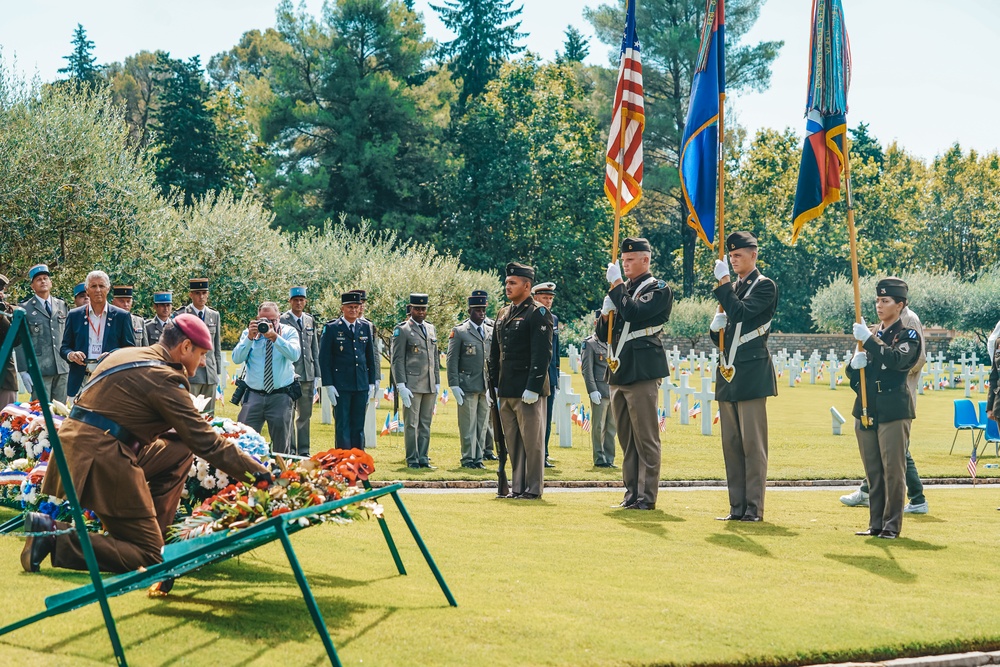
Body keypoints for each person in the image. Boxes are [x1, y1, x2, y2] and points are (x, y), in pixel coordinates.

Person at [22, 314, 270, 574]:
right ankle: (52, 535)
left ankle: (156, 535)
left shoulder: (126, 354)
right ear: (185, 347)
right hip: (102, 457)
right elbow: (207, 443)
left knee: (180, 449)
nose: (204, 360)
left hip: (77, 448)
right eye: (202, 353)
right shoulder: (164, 377)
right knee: (148, 557)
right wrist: (263, 475)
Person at [599, 238, 673, 510]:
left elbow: (634, 312)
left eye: (631, 260)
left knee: (646, 438)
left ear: (646, 260)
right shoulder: (621, 290)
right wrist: (605, 315)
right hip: (619, 370)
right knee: (626, 439)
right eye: (624, 260)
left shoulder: (658, 288)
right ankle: (631, 493)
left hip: (642, 369)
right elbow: (602, 334)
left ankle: (647, 495)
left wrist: (617, 288)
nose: (625, 264)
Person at [845, 277, 921, 540]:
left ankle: (891, 525)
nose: (879, 305)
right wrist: (853, 366)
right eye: (877, 300)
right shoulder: (872, 334)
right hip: (867, 408)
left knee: (893, 471)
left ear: (900, 305)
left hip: (892, 409)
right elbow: (857, 378)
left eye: (885, 300)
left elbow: (898, 360)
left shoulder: (907, 335)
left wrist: (868, 340)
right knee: (873, 472)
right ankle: (875, 523)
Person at [710, 232, 778, 522]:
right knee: (732, 447)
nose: (734, 259)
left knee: (753, 446)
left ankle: (754, 508)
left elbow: (740, 313)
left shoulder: (764, 287)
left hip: (751, 372)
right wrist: (715, 328)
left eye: (739, 254)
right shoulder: (734, 287)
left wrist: (724, 285)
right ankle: (736, 508)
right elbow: (724, 337)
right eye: (731, 255)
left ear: (754, 255)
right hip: (728, 373)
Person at [489, 263, 553, 498]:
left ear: (527, 286)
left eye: (513, 283)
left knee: (532, 443)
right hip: (507, 388)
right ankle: (517, 487)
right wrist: (493, 383)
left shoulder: (538, 313)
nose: (507, 286)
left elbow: (542, 352)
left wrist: (533, 386)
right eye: (507, 282)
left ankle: (533, 489)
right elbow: (496, 352)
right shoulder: (503, 313)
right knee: (513, 442)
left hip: (528, 389)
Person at [232, 302, 301, 455]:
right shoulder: (249, 334)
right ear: (257, 319)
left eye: (272, 320)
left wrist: (275, 337)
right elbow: (236, 358)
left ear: (279, 317)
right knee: (243, 441)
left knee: (281, 447)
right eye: (264, 320)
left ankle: (280, 476)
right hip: (254, 395)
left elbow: (294, 355)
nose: (268, 324)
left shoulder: (289, 332)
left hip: (280, 396)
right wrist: (249, 338)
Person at [60, 271, 136, 397]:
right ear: (87, 289)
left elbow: (129, 350)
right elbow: (64, 348)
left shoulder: (122, 316)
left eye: (101, 286)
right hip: (81, 379)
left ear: (108, 288)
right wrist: (71, 354)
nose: (98, 290)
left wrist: (112, 355)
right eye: (93, 286)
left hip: (110, 379)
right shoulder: (74, 315)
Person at [319, 292, 377, 449]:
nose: (353, 310)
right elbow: (324, 359)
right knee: (342, 425)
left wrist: (371, 382)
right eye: (350, 307)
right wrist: (328, 385)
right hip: (341, 385)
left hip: (361, 384)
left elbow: (370, 357)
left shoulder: (365, 327)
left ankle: (358, 463)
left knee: (358, 426)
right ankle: (343, 462)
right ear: (342, 308)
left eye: (356, 307)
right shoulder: (331, 328)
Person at [391, 294, 440, 469]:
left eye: (423, 309)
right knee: (411, 424)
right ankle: (412, 459)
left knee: (425, 423)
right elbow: (397, 360)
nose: (420, 312)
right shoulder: (402, 330)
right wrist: (401, 385)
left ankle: (423, 458)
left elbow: (434, 357)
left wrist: (437, 381)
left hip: (429, 383)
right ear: (410, 309)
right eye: (417, 308)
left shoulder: (431, 328)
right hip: (411, 384)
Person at [447, 290, 494, 469]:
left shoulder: (490, 331)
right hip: (467, 385)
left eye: (483, 310)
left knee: (482, 425)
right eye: (477, 310)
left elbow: (493, 359)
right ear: (469, 312)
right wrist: (454, 385)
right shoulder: (459, 332)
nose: (481, 313)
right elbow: (452, 360)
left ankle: (478, 457)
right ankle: (468, 458)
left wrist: (493, 383)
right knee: (468, 425)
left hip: (485, 385)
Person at [14, 264, 70, 403]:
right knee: (40, 412)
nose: (43, 281)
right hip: (39, 369)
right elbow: (19, 341)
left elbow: (69, 335)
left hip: (62, 367)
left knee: (60, 413)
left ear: (50, 283)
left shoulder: (62, 305)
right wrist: (23, 370)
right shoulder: (25, 308)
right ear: (32, 286)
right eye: (38, 279)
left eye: (45, 278)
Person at [281, 286, 322, 456]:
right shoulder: (282, 320)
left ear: (305, 301)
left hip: (307, 373)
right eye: (295, 300)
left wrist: (318, 374)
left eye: (301, 300)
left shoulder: (309, 320)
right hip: (290, 374)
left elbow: (314, 349)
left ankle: (304, 450)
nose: (299, 303)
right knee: (289, 414)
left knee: (305, 414)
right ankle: (290, 449)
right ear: (290, 301)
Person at [178, 278, 223, 414]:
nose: (201, 296)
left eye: (204, 293)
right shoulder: (183, 314)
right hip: (192, 373)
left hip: (209, 372)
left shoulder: (214, 315)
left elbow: (216, 346)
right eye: (197, 293)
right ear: (191, 295)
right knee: (190, 412)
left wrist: (217, 372)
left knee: (209, 414)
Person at [581, 312, 617, 468]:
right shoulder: (590, 343)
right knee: (598, 427)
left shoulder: (614, 342)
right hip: (599, 391)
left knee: (611, 428)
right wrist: (591, 390)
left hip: (613, 391)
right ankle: (599, 458)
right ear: (597, 323)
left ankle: (609, 458)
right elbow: (587, 370)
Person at [532, 282, 559, 468]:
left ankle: (544, 453)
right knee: (534, 418)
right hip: (534, 375)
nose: (548, 301)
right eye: (544, 298)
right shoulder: (531, 316)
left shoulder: (554, 319)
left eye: (550, 298)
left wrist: (555, 376)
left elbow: (555, 351)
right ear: (535, 297)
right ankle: (532, 453)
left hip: (550, 375)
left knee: (547, 417)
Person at [351, 290, 382, 443]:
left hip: (363, 378)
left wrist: (376, 377)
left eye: (362, 303)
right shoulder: (337, 325)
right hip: (346, 378)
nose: (361, 307)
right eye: (358, 303)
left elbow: (374, 354)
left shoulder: (369, 325)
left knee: (359, 418)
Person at [0, 275, 17, 407]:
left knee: (7, 423)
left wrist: (3, 317)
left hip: (5, 379)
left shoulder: (8, 312)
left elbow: (15, 341)